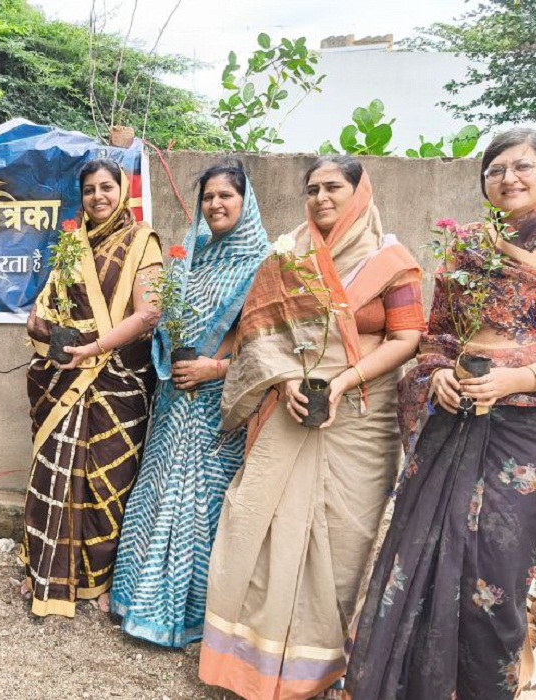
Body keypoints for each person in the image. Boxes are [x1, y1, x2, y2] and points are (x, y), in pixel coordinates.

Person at [346, 129, 536, 700]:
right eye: (495, 170)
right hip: (456, 423)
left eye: (523, 166)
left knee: (493, 579)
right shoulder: (470, 245)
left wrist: (517, 380)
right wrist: (441, 377)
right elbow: (437, 338)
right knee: (421, 560)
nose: (508, 178)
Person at [199, 155, 424, 699]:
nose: (323, 197)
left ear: (359, 192)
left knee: (343, 540)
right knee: (259, 521)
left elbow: (406, 338)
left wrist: (346, 379)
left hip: (360, 419)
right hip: (291, 408)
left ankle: (316, 668)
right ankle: (245, 663)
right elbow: (257, 338)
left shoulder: (392, 261)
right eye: (314, 188)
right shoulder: (286, 255)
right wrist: (282, 381)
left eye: (335, 187)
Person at [110, 159, 269, 647]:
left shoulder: (262, 263)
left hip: (218, 405)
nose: (216, 205)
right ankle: (140, 602)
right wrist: (170, 358)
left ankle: (196, 614)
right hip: (173, 398)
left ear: (246, 203)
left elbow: (268, 343)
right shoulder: (190, 257)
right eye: (208, 197)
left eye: (226, 196)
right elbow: (164, 320)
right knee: (158, 490)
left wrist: (215, 368)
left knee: (202, 504)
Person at [21, 158, 162, 618]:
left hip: (117, 380)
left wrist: (94, 348)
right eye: (89, 190)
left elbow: (150, 314)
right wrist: (45, 329)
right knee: (55, 472)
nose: (98, 196)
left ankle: (99, 580)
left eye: (106, 187)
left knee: (108, 480)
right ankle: (46, 570)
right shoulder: (70, 244)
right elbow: (48, 303)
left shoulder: (144, 242)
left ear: (122, 191)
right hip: (68, 375)